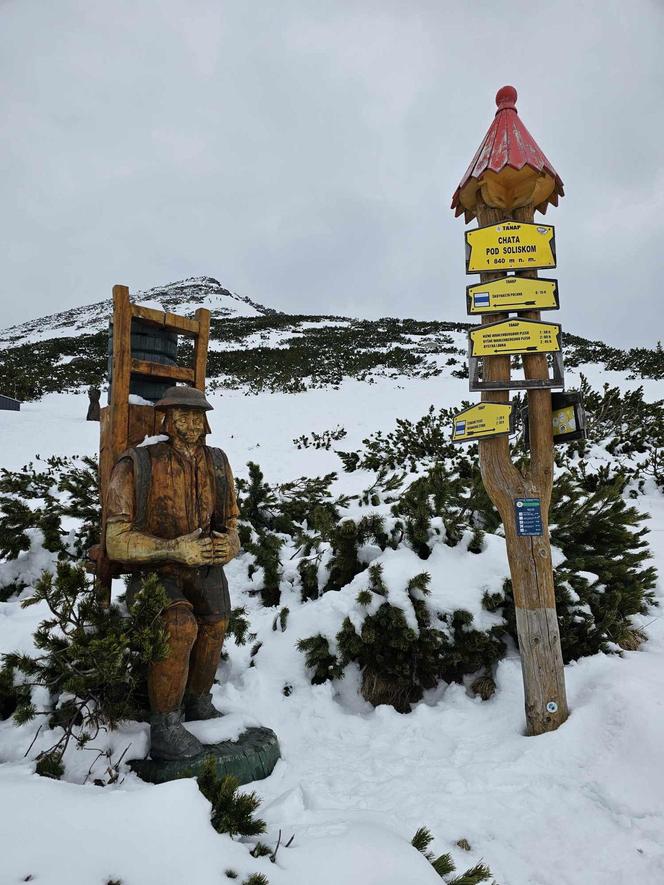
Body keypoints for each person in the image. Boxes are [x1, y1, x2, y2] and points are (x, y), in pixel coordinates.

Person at [105, 385, 240, 760]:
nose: (192, 423)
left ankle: (199, 701)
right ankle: (164, 724)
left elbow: (232, 521)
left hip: (203, 567)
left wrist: (229, 544)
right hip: (154, 572)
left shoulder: (217, 461)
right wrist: (172, 548)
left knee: (215, 622)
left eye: (197, 415)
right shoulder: (138, 463)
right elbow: (116, 539)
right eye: (183, 415)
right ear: (167, 417)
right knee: (179, 626)